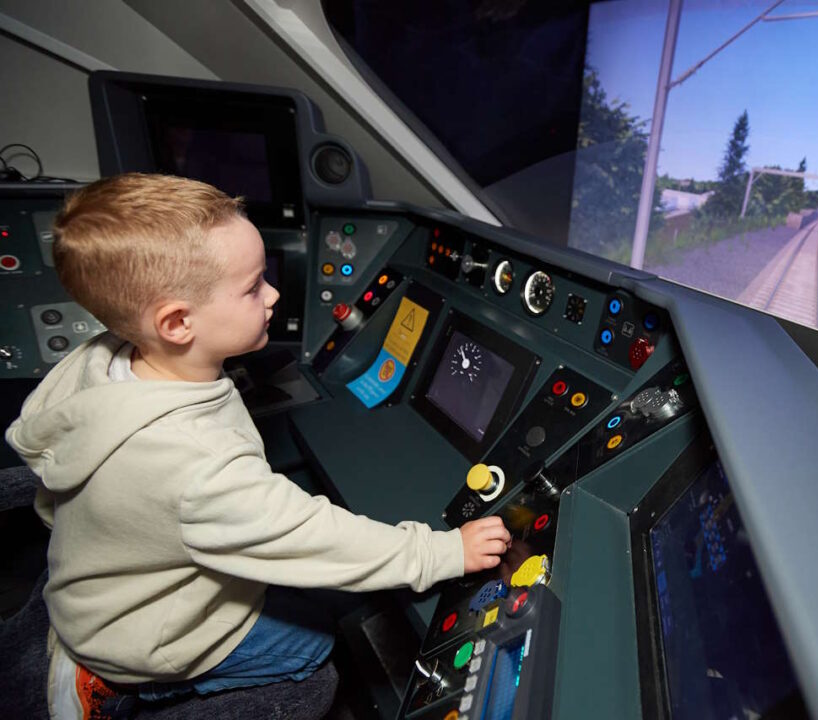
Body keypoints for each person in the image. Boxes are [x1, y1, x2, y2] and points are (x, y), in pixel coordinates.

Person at [5, 173, 511, 718]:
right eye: (251, 287)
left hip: (99, 584)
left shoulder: (103, 358)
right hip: (140, 635)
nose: (272, 294)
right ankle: (117, 689)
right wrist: (441, 552)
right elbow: (315, 539)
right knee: (313, 647)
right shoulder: (196, 464)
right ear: (177, 323)